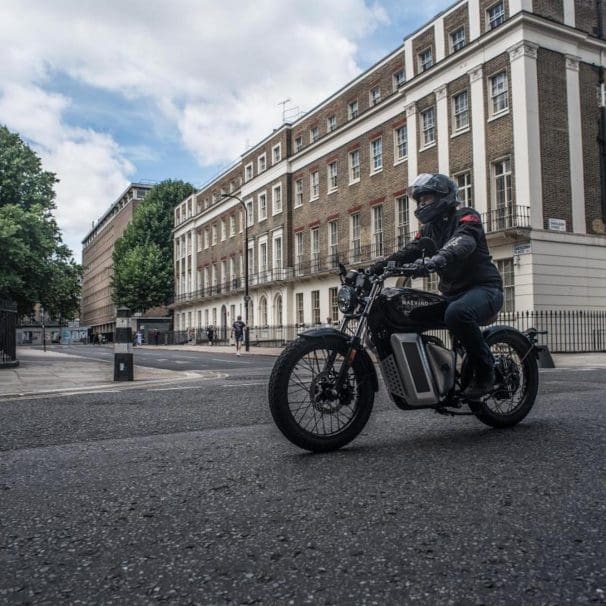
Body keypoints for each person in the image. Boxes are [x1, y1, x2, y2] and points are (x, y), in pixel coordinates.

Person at [369, 173, 503, 399]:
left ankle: (486, 371)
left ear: (444, 196)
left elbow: (463, 241)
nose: (421, 204)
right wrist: (378, 267)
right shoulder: (429, 230)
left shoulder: (467, 217)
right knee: (407, 312)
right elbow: (411, 249)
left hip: (484, 289)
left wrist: (437, 259)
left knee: (457, 314)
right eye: (419, 201)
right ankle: (431, 372)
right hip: (452, 294)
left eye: (427, 199)